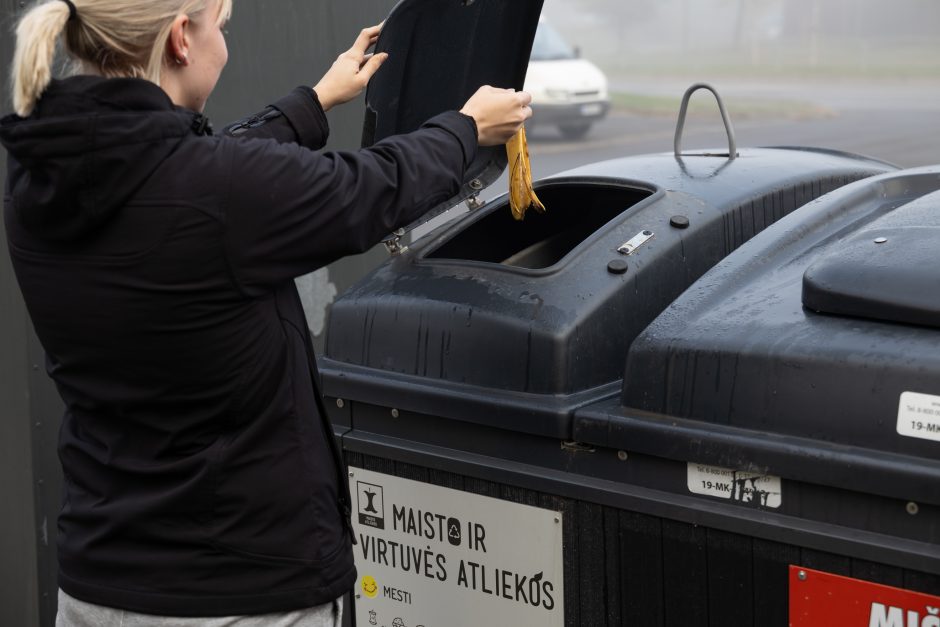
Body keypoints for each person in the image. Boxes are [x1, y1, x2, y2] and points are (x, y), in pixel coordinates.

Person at [1, 0, 532, 625]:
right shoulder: (216, 192)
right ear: (179, 41)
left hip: (98, 584)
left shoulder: (42, 180)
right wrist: (464, 129)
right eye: (220, 31)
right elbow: (369, 188)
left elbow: (198, 176)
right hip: (241, 592)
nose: (223, 47)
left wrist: (315, 101)